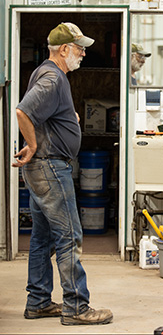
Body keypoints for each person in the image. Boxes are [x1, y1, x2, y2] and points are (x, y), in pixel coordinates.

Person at [12, 22, 113, 326]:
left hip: (44, 166)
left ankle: (39, 302)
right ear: (65, 49)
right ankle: (76, 307)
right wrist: (30, 144)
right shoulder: (53, 77)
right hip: (50, 166)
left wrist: (69, 117)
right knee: (70, 236)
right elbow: (23, 111)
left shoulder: (48, 73)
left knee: (43, 238)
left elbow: (43, 114)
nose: (83, 53)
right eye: (79, 47)